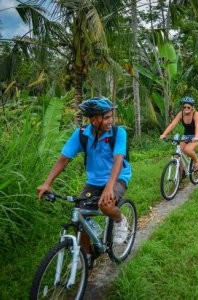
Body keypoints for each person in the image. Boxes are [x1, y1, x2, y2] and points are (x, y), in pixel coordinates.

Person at [37, 97, 132, 267]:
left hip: (117, 176)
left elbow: (118, 159)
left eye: (111, 116)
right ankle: (86, 255)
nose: (111, 121)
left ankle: (120, 220)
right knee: (80, 214)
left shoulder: (119, 133)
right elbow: (64, 159)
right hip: (94, 181)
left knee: (106, 205)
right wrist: (47, 183)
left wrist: (109, 187)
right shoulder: (81, 135)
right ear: (94, 119)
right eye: (107, 117)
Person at [160, 97, 198, 172]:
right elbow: (173, 124)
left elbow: (197, 125)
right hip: (186, 136)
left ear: (192, 108)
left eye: (188, 107)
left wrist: (196, 137)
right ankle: (181, 172)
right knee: (178, 153)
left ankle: (197, 161)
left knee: (188, 150)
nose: (186, 108)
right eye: (184, 107)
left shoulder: (195, 114)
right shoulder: (181, 113)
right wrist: (164, 134)